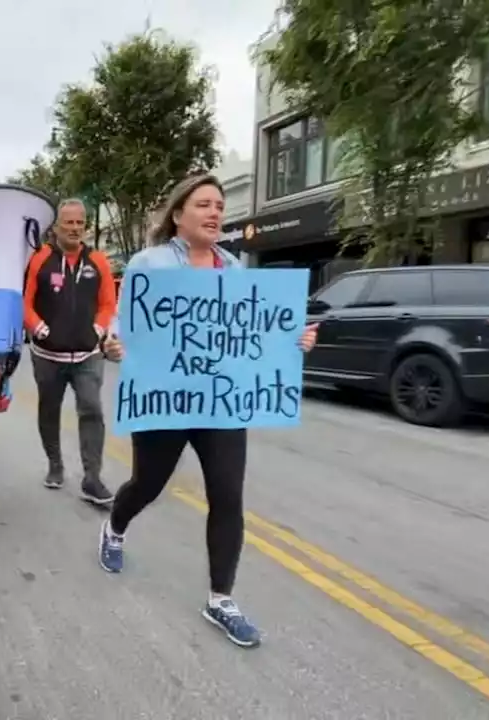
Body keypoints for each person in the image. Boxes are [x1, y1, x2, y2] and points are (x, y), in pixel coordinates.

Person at [95, 174, 319, 649]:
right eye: (204, 204)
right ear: (179, 214)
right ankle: (115, 525)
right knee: (148, 484)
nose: (215, 213)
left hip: (221, 401)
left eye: (219, 205)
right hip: (165, 398)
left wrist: (296, 340)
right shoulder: (150, 263)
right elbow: (123, 323)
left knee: (227, 493)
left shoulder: (236, 272)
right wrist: (112, 342)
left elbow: (261, 332)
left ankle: (222, 598)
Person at [22, 198, 116, 505]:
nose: (75, 229)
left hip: (88, 356)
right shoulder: (40, 259)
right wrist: (39, 329)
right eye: (69, 223)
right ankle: (55, 464)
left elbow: (107, 304)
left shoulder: (99, 261)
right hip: (47, 356)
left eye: (80, 223)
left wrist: (98, 330)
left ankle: (92, 478)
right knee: (49, 410)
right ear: (56, 227)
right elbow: (25, 302)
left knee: (92, 409)